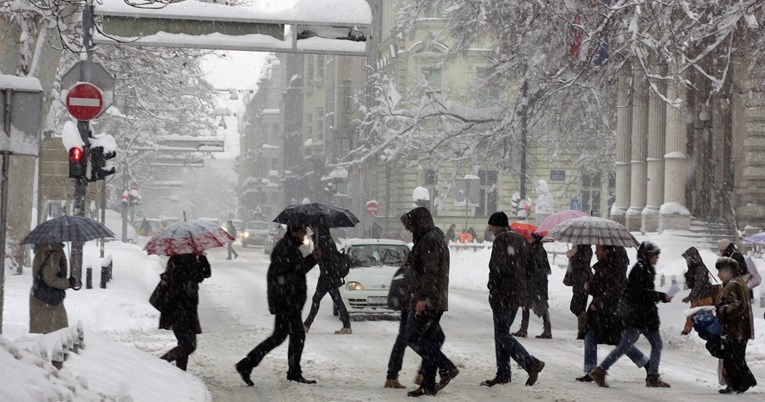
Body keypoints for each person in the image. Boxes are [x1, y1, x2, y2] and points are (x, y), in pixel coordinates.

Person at [236, 225, 321, 386]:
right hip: (287, 302)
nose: (305, 234)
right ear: (294, 232)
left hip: (287, 301)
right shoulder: (285, 248)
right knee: (296, 337)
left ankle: (246, 365)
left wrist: (311, 258)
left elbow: (295, 270)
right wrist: (312, 258)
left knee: (280, 337)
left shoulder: (289, 247)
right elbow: (293, 272)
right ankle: (292, 372)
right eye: (302, 231)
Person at [587, 241, 672, 388]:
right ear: (648, 255)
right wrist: (660, 296)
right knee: (624, 346)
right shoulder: (639, 270)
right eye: (655, 255)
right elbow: (639, 294)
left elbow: (644, 294)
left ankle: (652, 377)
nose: (657, 258)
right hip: (638, 316)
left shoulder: (646, 269)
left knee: (653, 345)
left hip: (645, 316)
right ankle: (600, 370)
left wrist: (659, 296)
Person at [400, 207, 459, 397]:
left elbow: (430, 271)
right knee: (430, 341)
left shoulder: (430, 241)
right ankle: (428, 384)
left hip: (429, 300)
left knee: (412, 336)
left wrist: (423, 298)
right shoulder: (430, 238)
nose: (410, 230)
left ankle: (446, 367)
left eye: (411, 226)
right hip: (435, 299)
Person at [482, 212, 545, 388]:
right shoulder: (520, 239)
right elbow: (531, 266)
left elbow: (496, 268)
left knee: (502, 334)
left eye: (491, 226)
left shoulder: (501, 241)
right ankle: (503, 373)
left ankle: (530, 363)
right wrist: (521, 283)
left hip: (503, 294)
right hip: (517, 294)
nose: (490, 229)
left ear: (497, 226)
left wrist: (492, 287)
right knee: (502, 334)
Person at [577, 245, 649, 382]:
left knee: (618, 341)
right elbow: (601, 288)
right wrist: (590, 286)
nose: (596, 252)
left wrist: (597, 303)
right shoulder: (604, 266)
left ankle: (647, 363)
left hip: (610, 313)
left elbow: (615, 291)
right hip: (602, 312)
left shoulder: (616, 269)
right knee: (591, 335)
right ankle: (591, 370)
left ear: (606, 252)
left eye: (598, 249)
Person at [159, 254, 211, 371]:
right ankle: (161, 362)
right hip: (180, 308)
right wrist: (201, 259)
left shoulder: (176, 258)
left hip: (182, 308)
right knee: (189, 345)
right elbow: (203, 274)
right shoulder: (187, 259)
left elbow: (205, 274)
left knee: (184, 343)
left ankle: (181, 373)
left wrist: (201, 258)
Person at [714, 257, 757, 394]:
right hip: (737, 329)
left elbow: (738, 305)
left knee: (734, 358)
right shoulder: (735, 282)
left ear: (727, 271)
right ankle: (735, 384)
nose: (718, 274)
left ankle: (743, 382)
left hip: (737, 329)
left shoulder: (734, 284)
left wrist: (722, 309)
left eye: (720, 271)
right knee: (733, 358)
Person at [303, 227, 352, 335]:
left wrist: (317, 256)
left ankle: (307, 324)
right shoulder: (328, 240)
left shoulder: (323, 242)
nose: (312, 233)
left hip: (327, 277)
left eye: (314, 231)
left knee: (318, 299)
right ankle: (347, 325)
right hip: (330, 276)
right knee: (335, 300)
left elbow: (324, 259)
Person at [29, 242, 76, 334]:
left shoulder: (42, 250)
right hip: (49, 299)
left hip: (41, 296)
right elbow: (50, 279)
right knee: (55, 338)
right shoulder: (53, 252)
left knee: (49, 337)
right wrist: (68, 283)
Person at [512, 233, 552, 339]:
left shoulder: (534, 250)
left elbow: (532, 266)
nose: (528, 239)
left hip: (534, 282)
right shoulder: (539, 249)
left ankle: (524, 330)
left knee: (526, 304)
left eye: (530, 238)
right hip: (540, 282)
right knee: (541, 305)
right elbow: (545, 268)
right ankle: (547, 330)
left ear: (534, 240)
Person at [680, 247, 717, 335]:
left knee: (707, 316)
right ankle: (686, 331)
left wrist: (691, 296)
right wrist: (688, 275)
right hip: (698, 297)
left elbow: (699, 284)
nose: (686, 261)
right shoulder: (693, 268)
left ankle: (712, 332)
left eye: (687, 259)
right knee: (692, 314)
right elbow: (691, 285)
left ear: (692, 258)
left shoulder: (700, 268)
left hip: (705, 296)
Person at [564, 244, 593, 339]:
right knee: (581, 307)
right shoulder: (587, 248)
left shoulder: (582, 249)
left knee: (575, 307)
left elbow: (581, 264)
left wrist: (571, 257)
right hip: (583, 279)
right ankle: (582, 331)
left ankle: (586, 327)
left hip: (581, 280)